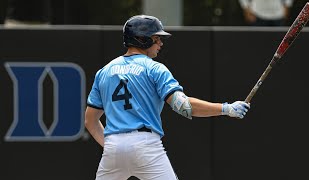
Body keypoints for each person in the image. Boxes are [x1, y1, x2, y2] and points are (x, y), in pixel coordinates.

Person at [85, 15, 250, 180]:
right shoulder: (154, 68)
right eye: (156, 39)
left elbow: (90, 121)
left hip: (113, 146)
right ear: (142, 39)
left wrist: (113, 147)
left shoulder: (104, 72)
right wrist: (226, 108)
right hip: (145, 145)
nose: (161, 44)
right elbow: (184, 107)